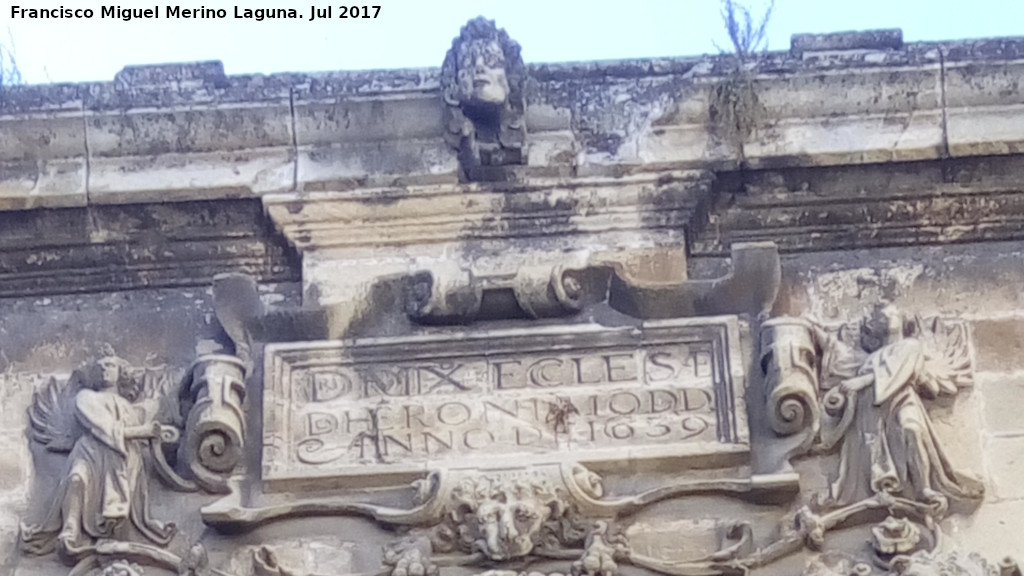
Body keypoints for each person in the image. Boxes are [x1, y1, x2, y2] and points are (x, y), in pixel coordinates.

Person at [812, 304, 983, 513]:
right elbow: (837, 354)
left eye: (891, 313)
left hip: (902, 398)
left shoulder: (910, 346)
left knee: (912, 429)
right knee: (873, 446)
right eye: (882, 317)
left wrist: (864, 380)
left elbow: (898, 370)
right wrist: (813, 330)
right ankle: (883, 486)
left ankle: (923, 488)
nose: (888, 317)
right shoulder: (870, 358)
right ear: (875, 328)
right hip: (871, 407)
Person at [20, 353, 176, 563]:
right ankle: (71, 529)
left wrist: (160, 434)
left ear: (121, 372)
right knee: (76, 479)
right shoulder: (85, 398)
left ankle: (114, 537)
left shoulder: (128, 407)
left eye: (110, 365)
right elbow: (104, 427)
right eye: (101, 366)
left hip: (123, 459)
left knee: (122, 505)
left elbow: (146, 431)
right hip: (91, 452)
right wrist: (144, 431)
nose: (105, 370)